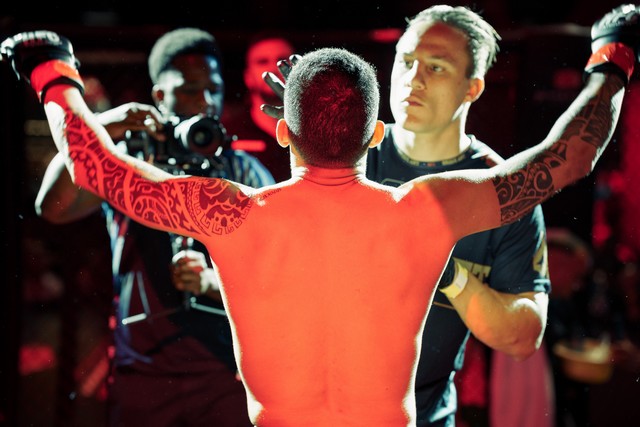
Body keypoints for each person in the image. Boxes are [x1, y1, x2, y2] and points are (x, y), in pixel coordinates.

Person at [1, 5, 636, 423]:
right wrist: (613, 57)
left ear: (281, 131)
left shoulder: (233, 215)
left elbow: (95, 168)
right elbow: (567, 158)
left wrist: (52, 72)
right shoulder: (428, 212)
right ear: (375, 135)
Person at [262, 6, 550, 425]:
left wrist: (445, 270)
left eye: (436, 67)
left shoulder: (503, 191)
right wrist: (311, 133)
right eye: (407, 60)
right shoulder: (347, 152)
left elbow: (523, 337)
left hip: (427, 415)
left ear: (472, 88)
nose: (414, 79)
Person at [31, 28, 274, 427]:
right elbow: (53, 206)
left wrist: (211, 282)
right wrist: (105, 125)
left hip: (223, 372)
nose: (205, 101)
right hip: (143, 371)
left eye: (213, 89)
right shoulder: (127, 156)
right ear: (160, 95)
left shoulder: (243, 168)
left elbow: (275, 270)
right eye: (190, 90)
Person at [223, 33, 295, 183]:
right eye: (262, 62)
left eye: (282, 61)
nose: (273, 68)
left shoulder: (314, 130)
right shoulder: (229, 132)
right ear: (248, 77)